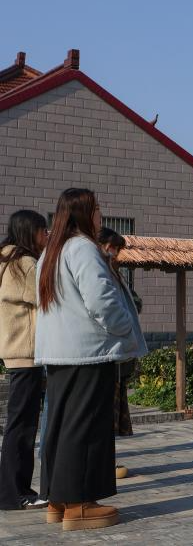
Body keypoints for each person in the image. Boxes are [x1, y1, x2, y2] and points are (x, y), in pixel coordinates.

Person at [35, 189, 147, 531]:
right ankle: (79, 505)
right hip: (88, 351)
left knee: (61, 426)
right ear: (84, 213)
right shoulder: (83, 248)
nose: (100, 215)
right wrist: (124, 327)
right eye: (97, 209)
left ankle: (58, 500)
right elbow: (101, 301)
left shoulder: (51, 251)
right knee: (86, 427)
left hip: (60, 352)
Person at [0, 210, 49, 511]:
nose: (46, 236)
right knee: (22, 425)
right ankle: (13, 493)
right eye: (43, 231)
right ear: (30, 232)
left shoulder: (8, 259)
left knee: (21, 424)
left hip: (18, 350)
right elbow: (47, 296)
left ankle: (17, 489)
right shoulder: (23, 262)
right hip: (25, 352)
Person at [96, 228, 139, 481]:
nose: (116, 253)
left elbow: (135, 301)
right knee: (101, 416)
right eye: (113, 247)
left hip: (119, 358)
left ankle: (107, 460)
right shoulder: (95, 269)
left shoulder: (115, 272)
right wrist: (124, 323)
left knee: (112, 415)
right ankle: (102, 463)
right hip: (104, 353)